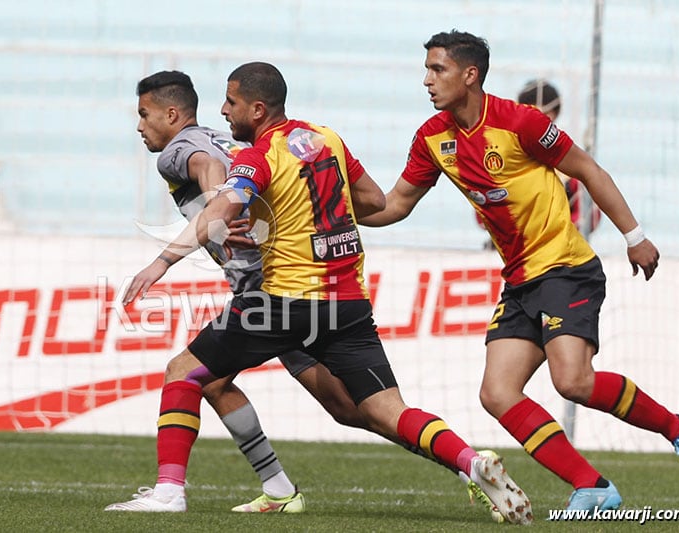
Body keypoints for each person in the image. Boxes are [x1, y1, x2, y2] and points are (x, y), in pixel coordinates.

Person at [106, 62, 532, 525]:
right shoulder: (325, 138)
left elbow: (221, 200)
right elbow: (373, 200)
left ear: (257, 109)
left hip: (283, 301)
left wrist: (163, 260)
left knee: (184, 372)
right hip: (347, 303)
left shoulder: (252, 157)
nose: (224, 111)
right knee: (377, 409)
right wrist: (318, 212)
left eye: (231, 102)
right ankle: (470, 462)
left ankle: (169, 492)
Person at [357, 30, 679, 512]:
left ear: (469, 75)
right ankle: (593, 486)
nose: (427, 80)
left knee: (572, 381)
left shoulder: (521, 122)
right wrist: (333, 211)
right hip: (519, 282)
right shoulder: (432, 138)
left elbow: (588, 170)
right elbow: (395, 204)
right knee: (497, 393)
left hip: (565, 268)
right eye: (427, 70)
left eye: (437, 69)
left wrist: (634, 236)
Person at [475, 79, 600, 248]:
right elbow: (482, 212)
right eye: (531, 111)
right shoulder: (502, 155)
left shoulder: (570, 164)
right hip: (510, 246)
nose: (537, 117)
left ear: (554, 115)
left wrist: (554, 230)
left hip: (558, 247)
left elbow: (591, 216)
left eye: (545, 113)